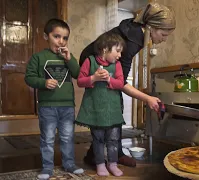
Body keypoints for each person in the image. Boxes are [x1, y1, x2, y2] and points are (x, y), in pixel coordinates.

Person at [80, 2, 176, 167]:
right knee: (109, 108)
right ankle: (95, 156)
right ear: (151, 27)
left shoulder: (137, 32)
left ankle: (116, 153)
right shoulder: (132, 41)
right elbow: (120, 83)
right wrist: (148, 98)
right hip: (93, 66)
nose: (164, 39)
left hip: (102, 66)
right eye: (163, 34)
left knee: (116, 106)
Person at [24, 18, 84, 179]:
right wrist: (43, 82)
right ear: (46, 36)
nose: (61, 41)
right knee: (48, 138)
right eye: (56, 36)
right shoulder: (38, 57)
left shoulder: (68, 57)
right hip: (47, 106)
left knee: (67, 137)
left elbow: (78, 74)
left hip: (67, 106)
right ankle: (47, 168)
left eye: (65, 38)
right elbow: (29, 78)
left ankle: (69, 164)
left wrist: (69, 58)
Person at [75, 32, 126, 177]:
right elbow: (80, 81)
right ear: (105, 48)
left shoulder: (117, 65)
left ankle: (113, 163)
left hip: (112, 110)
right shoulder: (89, 61)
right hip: (95, 110)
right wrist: (94, 77)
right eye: (117, 51)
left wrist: (109, 80)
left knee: (114, 139)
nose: (120, 55)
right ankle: (100, 164)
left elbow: (121, 83)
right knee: (98, 139)